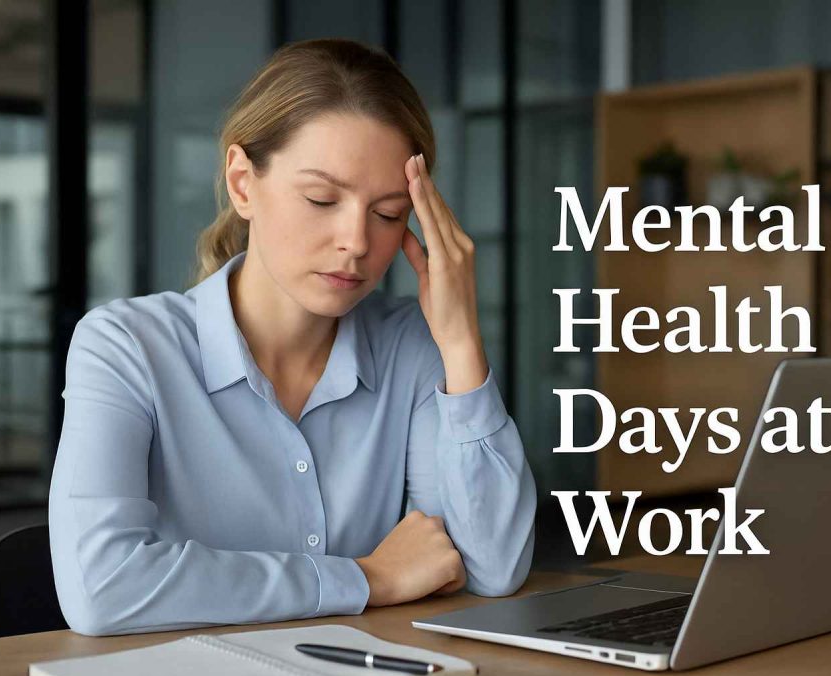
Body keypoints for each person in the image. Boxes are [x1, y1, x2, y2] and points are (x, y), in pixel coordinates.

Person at [48, 38, 536, 637]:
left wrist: (461, 345)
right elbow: (102, 588)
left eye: (387, 213)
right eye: (321, 199)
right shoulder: (125, 347)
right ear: (242, 183)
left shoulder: (412, 345)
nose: (356, 241)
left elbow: (491, 567)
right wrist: (367, 578)